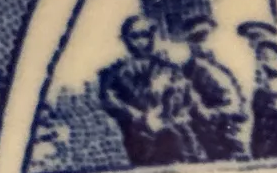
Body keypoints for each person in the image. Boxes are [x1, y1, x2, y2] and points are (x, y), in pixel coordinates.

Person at [98, 15, 196, 165]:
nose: (141, 41)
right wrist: (136, 116)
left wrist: (165, 112)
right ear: (125, 39)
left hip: (171, 130)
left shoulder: (167, 66)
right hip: (138, 134)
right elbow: (108, 98)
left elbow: (183, 93)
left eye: (145, 35)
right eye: (135, 37)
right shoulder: (115, 72)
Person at [181, 15, 250, 162]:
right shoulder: (190, 70)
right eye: (197, 39)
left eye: (207, 37)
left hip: (236, 127)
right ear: (189, 43)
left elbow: (238, 93)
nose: (203, 44)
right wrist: (219, 115)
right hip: (216, 132)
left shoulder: (221, 65)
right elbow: (197, 107)